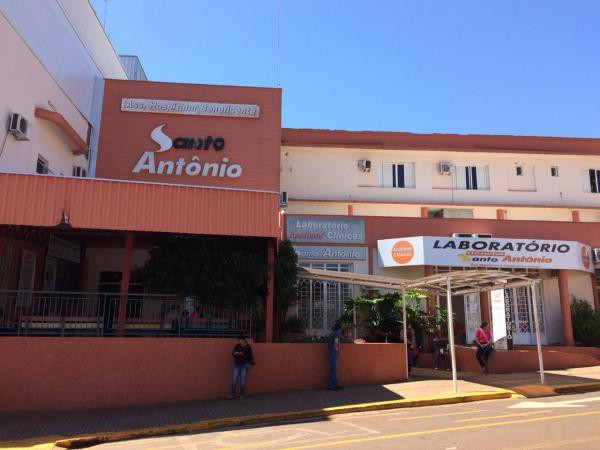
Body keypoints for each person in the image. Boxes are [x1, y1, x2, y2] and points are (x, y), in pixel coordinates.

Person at [230, 334, 254, 399]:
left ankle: (241, 394)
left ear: (244, 340)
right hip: (237, 364)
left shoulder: (248, 347)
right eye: (239, 340)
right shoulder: (237, 345)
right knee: (234, 379)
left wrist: (243, 354)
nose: (239, 341)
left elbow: (249, 357)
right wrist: (236, 353)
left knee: (243, 381)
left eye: (241, 340)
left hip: (244, 365)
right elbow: (233, 353)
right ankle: (232, 394)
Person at [327, 322, 342, 390]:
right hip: (333, 352)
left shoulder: (331, 333)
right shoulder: (336, 334)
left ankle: (334, 385)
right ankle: (331, 385)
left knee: (333, 369)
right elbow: (336, 344)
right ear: (339, 329)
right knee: (333, 369)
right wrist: (338, 350)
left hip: (330, 352)